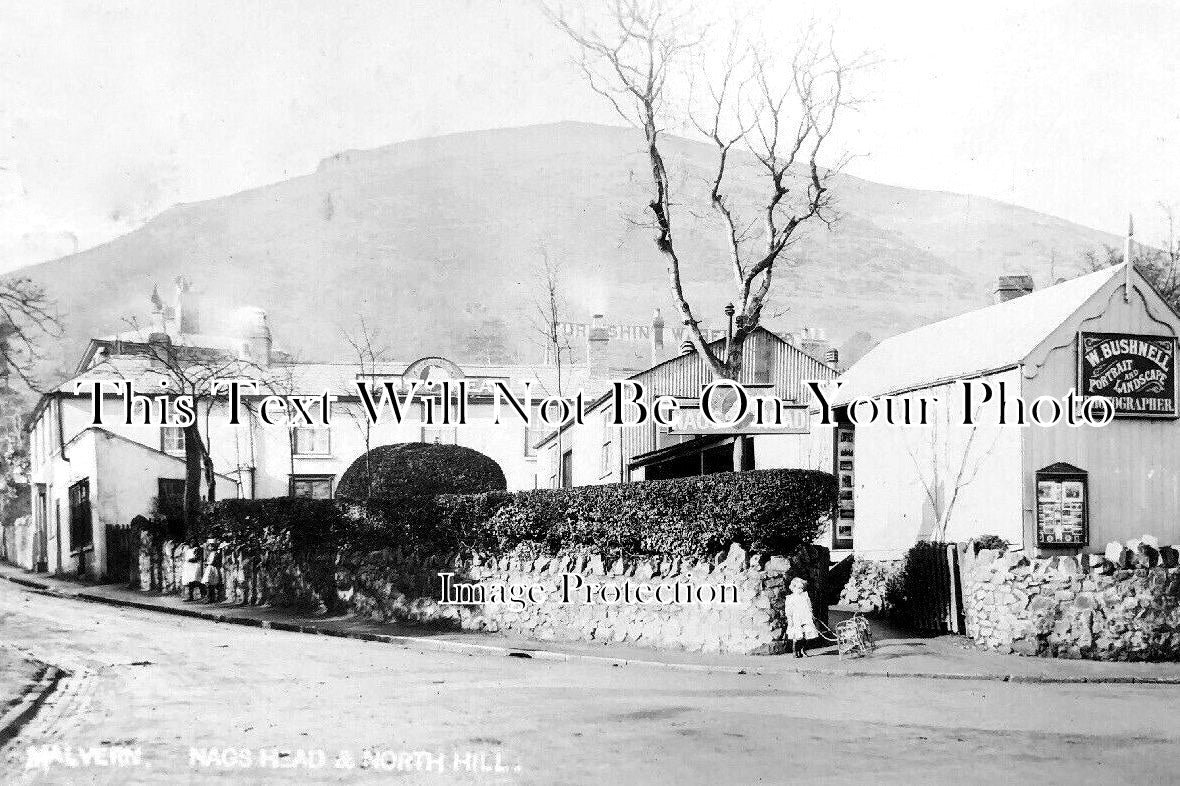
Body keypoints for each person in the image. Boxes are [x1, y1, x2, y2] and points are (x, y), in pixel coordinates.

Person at [784, 577, 819, 658]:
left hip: (805, 617)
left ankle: (803, 649)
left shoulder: (805, 596)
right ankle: (796, 650)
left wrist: (811, 615)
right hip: (796, 618)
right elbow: (788, 611)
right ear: (793, 588)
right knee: (797, 635)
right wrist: (790, 620)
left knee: (806, 634)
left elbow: (809, 607)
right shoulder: (790, 598)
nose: (800, 590)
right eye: (798, 588)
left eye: (802, 588)